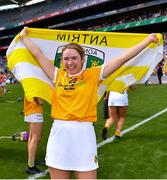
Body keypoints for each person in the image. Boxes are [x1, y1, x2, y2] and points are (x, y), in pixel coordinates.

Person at [20, 27, 158, 179]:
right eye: (66, 59)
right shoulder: (57, 75)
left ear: (82, 59)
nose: (69, 62)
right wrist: (24, 36)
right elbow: (37, 54)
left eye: (74, 58)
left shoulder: (94, 75)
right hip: (59, 134)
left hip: (83, 134)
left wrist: (147, 40)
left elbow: (122, 59)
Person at [24, 96, 44, 174]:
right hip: (35, 112)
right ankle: (31, 165)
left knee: (32, 137)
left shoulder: (30, 85)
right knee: (36, 138)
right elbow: (39, 101)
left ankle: (32, 160)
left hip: (29, 111)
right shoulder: (36, 87)